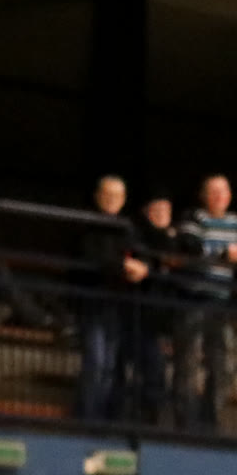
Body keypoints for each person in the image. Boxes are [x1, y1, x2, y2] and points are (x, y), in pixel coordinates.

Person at [177, 174, 237, 430]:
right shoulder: (194, 219)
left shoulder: (236, 224)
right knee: (189, 360)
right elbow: (190, 248)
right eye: (213, 191)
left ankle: (210, 415)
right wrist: (223, 254)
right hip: (193, 298)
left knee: (224, 362)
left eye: (223, 191)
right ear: (203, 195)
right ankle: (186, 419)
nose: (219, 196)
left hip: (221, 301)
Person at [74, 175, 148, 420]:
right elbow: (93, 258)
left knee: (109, 365)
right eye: (107, 194)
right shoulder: (87, 224)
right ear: (98, 196)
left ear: (124, 199)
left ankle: (101, 417)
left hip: (117, 304)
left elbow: (142, 254)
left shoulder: (127, 227)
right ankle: (88, 416)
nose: (111, 199)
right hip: (92, 301)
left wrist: (143, 267)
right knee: (95, 362)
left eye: (117, 196)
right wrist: (124, 266)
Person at [133, 193, 200, 426]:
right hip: (144, 313)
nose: (161, 214)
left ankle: (174, 420)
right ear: (146, 212)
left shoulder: (178, 239)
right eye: (156, 210)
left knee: (179, 368)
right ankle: (147, 419)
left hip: (172, 313)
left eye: (166, 210)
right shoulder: (139, 235)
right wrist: (156, 263)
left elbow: (192, 261)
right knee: (153, 368)